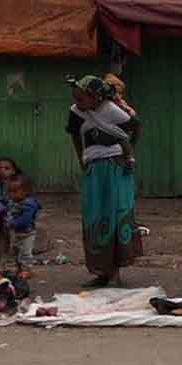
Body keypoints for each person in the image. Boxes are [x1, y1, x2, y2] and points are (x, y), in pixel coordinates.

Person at [65, 75, 142, 287]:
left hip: (116, 168)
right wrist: (82, 160)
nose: (77, 102)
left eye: (82, 98)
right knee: (94, 216)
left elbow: (136, 126)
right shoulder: (76, 112)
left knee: (114, 214)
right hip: (93, 169)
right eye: (76, 98)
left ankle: (115, 272)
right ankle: (102, 271)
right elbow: (74, 136)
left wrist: (128, 153)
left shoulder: (112, 111)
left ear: (97, 98)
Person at [0, 174, 41, 278]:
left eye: (14, 192)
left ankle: (27, 270)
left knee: (26, 252)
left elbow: (25, 220)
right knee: (15, 251)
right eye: (9, 191)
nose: (11, 195)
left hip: (27, 233)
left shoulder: (29, 204)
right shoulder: (12, 201)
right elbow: (8, 211)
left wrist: (12, 223)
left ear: (26, 191)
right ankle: (17, 269)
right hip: (15, 232)